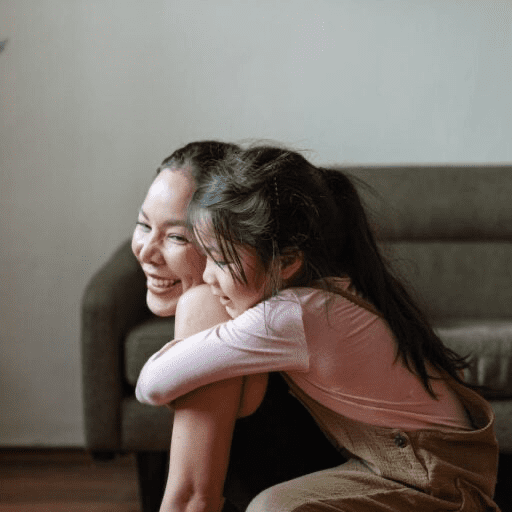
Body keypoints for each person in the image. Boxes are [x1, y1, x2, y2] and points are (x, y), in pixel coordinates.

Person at [136, 144, 501, 511]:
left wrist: (186, 344)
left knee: (272, 508)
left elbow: (152, 384)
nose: (208, 276)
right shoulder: (319, 292)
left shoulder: (292, 315)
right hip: (417, 464)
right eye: (142, 224)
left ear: (289, 260)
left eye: (219, 258)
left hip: (434, 476)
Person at [132, 141, 344, 512]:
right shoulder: (278, 298)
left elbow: (192, 498)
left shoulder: (206, 306)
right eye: (143, 224)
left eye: (177, 236)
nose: (147, 251)